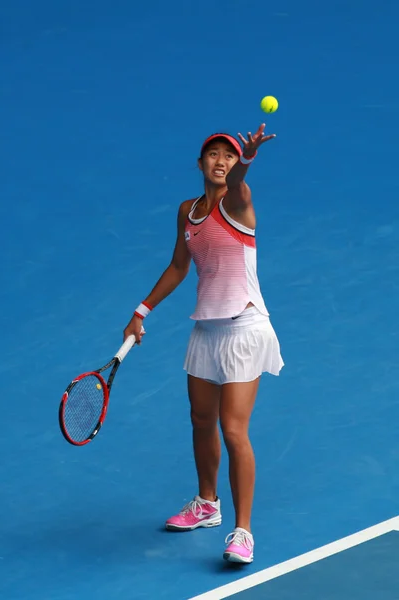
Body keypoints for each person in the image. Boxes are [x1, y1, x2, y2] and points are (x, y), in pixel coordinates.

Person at [123, 123, 284, 564]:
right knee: (200, 420)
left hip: (245, 329)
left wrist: (247, 161)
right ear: (199, 163)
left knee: (233, 430)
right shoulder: (186, 211)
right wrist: (141, 311)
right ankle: (208, 504)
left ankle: (243, 530)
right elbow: (179, 266)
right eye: (213, 154)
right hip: (206, 330)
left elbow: (238, 184)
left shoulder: (239, 201)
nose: (221, 161)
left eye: (229, 156)